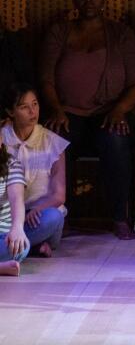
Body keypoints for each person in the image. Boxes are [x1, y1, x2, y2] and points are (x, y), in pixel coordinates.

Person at [39, 0, 135, 239]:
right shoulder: (60, 32)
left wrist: (120, 110)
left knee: (115, 137)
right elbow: (46, 79)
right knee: (54, 138)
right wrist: (56, 108)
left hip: (113, 112)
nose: (88, 0)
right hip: (68, 112)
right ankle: (60, 216)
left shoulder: (121, 34)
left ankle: (120, 217)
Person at [1, 82, 68, 257]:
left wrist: (37, 210)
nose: (32, 112)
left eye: (35, 104)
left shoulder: (53, 143)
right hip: (7, 219)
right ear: (10, 112)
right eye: (24, 107)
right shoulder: (2, 137)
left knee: (53, 217)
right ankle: (27, 248)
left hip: (36, 217)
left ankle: (17, 248)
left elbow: (59, 195)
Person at [0, 133, 29, 276]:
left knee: (21, 246)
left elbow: (17, 199)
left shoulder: (11, 164)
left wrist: (17, 228)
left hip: (2, 234)